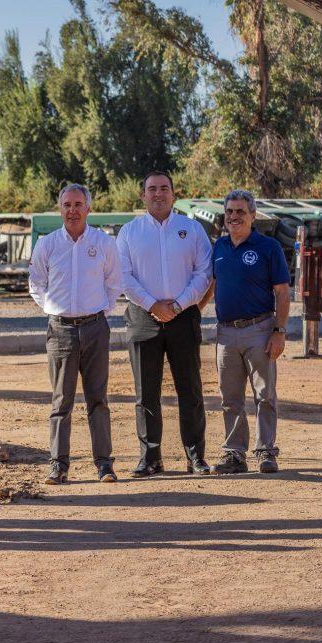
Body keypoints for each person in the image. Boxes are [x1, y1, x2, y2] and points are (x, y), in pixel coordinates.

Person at [116, 171, 212, 478]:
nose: (158, 193)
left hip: (183, 316)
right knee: (146, 393)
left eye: (164, 188)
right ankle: (150, 458)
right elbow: (123, 276)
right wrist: (152, 304)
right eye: (152, 189)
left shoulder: (192, 229)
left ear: (174, 194)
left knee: (191, 390)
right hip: (142, 317)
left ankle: (195, 457)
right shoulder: (129, 232)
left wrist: (179, 304)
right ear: (143, 195)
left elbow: (203, 273)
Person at [29, 183, 123, 484]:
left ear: (88, 208)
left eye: (78, 204)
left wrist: (99, 311)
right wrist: (54, 309)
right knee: (61, 402)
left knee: (98, 399)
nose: (72, 210)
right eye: (67, 205)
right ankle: (58, 464)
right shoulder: (47, 244)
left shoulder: (104, 244)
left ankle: (104, 464)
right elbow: (36, 284)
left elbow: (113, 283)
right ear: (60, 209)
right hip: (61, 332)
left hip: (96, 328)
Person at [200, 189, 290, 474]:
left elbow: (283, 292)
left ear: (253, 215)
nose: (234, 216)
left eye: (240, 211)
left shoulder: (268, 247)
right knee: (230, 398)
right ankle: (235, 455)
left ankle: (266, 452)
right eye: (229, 211)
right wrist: (194, 311)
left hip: (260, 329)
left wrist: (279, 330)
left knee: (264, 395)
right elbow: (212, 284)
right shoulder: (220, 247)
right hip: (226, 334)